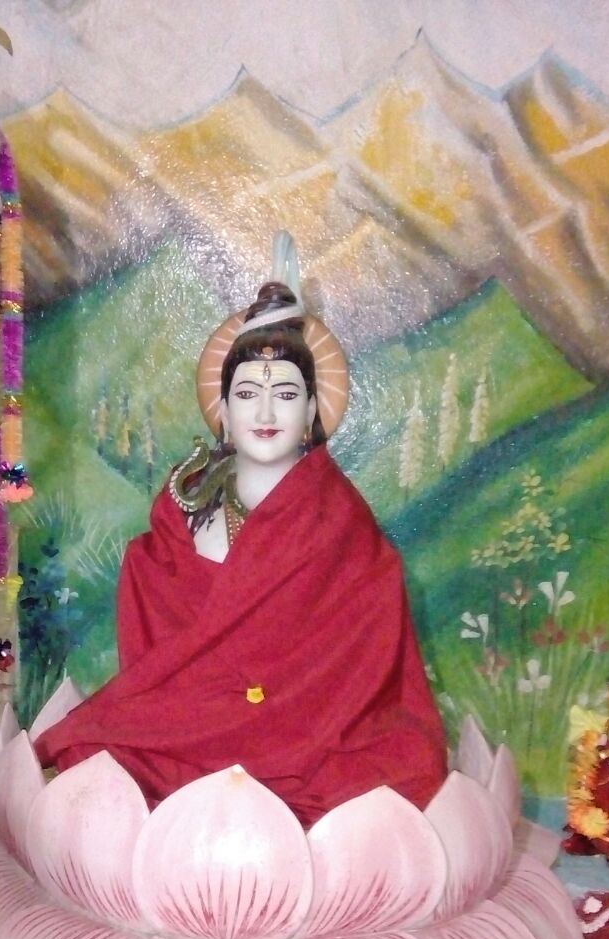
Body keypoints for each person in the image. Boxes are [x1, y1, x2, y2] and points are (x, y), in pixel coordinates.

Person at [34, 278, 446, 826]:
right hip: (192, 728)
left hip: (314, 739)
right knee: (92, 759)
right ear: (224, 411)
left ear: (312, 412)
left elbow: (363, 677)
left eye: (287, 395)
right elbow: (161, 672)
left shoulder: (346, 531)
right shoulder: (180, 522)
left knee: (398, 775)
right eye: (248, 394)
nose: (266, 411)